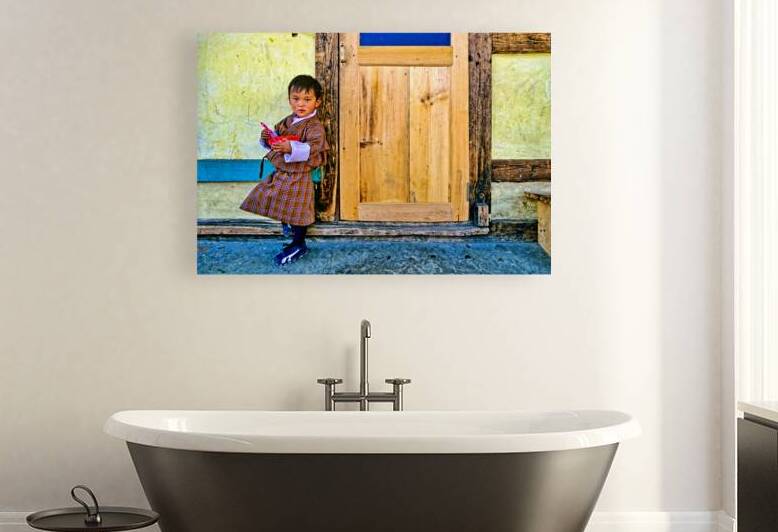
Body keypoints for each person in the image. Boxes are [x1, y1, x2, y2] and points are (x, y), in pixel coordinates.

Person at [239, 74, 328, 266]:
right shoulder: (289, 120)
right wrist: (267, 137)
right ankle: (287, 227)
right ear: (289, 100)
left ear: (317, 102)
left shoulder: (315, 127)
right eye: (296, 99)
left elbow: (314, 148)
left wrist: (291, 148)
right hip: (283, 172)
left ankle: (299, 244)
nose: (301, 104)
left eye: (307, 99)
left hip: (299, 175)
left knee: (298, 210)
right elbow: (275, 138)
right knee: (272, 196)